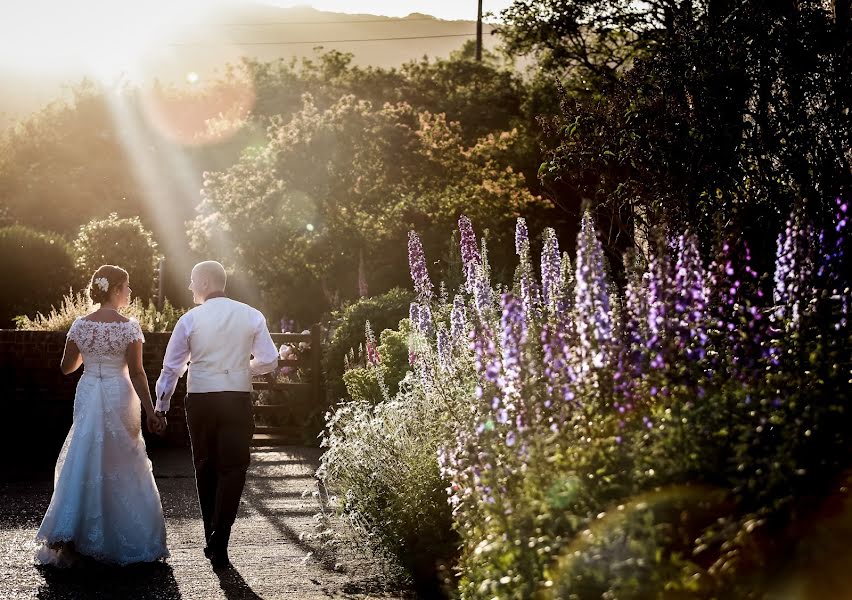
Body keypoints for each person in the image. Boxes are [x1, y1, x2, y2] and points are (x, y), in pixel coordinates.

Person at [34, 265, 169, 567]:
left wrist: (89, 353)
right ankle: (119, 536)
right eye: (128, 286)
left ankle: (76, 536)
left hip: (88, 390)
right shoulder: (129, 326)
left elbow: (66, 368)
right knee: (122, 458)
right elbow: (136, 372)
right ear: (116, 289)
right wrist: (151, 411)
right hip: (119, 392)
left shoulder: (80, 325)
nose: (131, 292)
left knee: (85, 453)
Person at [154, 261, 278, 569]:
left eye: (193, 281)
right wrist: (243, 369)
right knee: (234, 468)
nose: (189, 287)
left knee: (205, 466)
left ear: (206, 282)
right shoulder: (251, 315)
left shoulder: (190, 319)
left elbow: (172, 367)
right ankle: (219, 539)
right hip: (236, 397)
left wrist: (161, 405)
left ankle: (213, 537)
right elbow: (269, 360)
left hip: (201, 398)